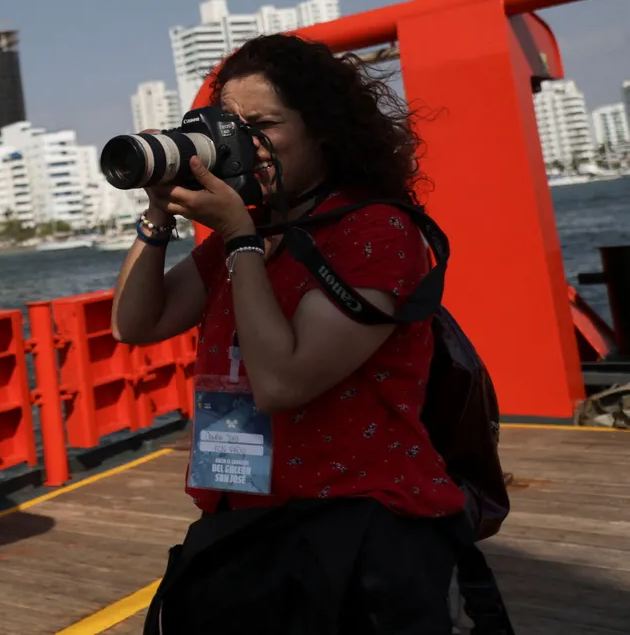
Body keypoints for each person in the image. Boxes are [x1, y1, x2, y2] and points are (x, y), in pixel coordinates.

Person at [113, 33, 506, 634]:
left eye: (263, 124)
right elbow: (136, 323)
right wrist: (159, 213)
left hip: (359, 530)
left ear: (323, 127)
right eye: (232, 127)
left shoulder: (375, 231)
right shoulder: (242, 237)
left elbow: (281, 382)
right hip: (241, 518)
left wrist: (241, 237)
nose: (245, 145)